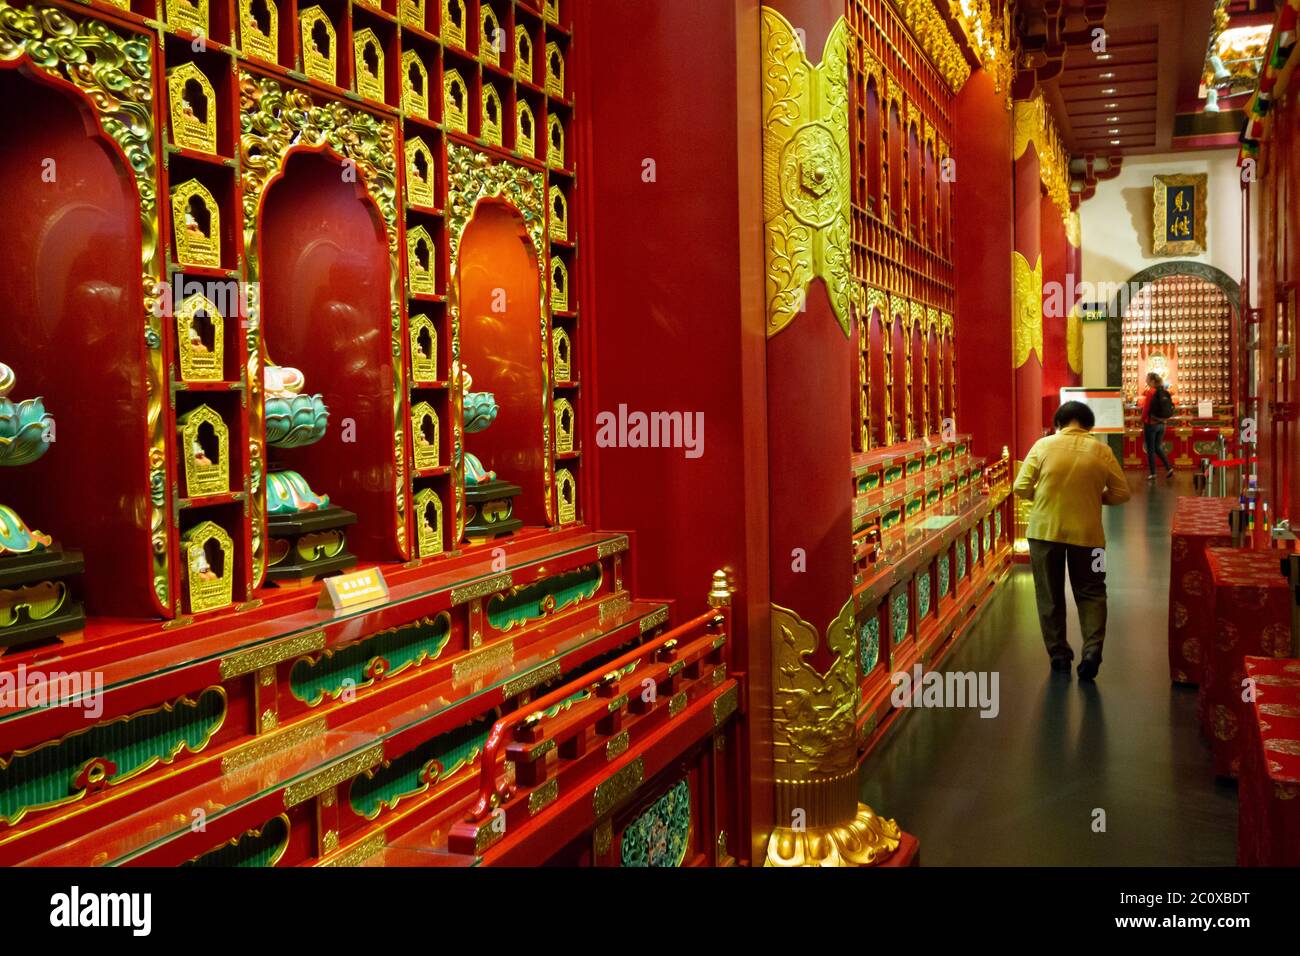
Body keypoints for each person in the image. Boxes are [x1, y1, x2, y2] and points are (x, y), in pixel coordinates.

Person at [1013, 401, 1131, 681]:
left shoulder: (1042, 446)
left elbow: (1020, 487)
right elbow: (1122, 493)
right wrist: (1096, 499)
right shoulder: (1102, 451)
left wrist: (1043, 500)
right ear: (1089, 425)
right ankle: (1092, 650)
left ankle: (1059, 656)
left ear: (1059, 423)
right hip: (1089, 536)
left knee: (1049, 594)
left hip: (1044, 532)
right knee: (1092, 591)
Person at [1139, 372, 1175, 480]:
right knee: (1158, 447)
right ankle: (1168, 468)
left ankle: (1153, 473)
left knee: (1150, 448)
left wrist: (1142, 419)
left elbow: (1146, 408)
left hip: (1151, 423)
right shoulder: (1164, 391)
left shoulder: (1151, 392)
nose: (1146, 381)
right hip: (1162, 424)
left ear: (1152, 381)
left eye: (1148, 379)